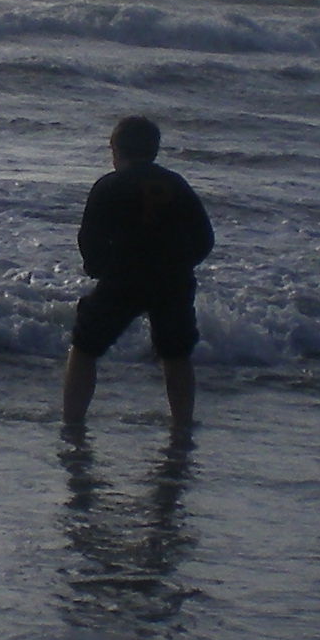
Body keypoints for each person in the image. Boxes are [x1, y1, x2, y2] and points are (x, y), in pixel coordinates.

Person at [63, 115, 214, 432]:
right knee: (176, 353)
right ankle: (182, 425)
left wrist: (99, 268)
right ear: (155, 150)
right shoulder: (176, 184)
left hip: (123, 277)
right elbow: (204, 238)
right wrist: (181, 264)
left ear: (116, 150)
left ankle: (73, 421)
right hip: (171, 280)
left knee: (85, 346)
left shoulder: (109, 185)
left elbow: (89, 238)